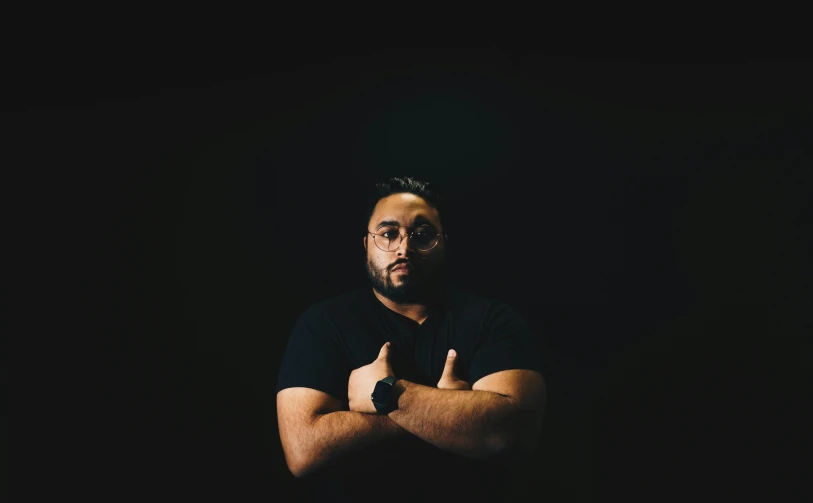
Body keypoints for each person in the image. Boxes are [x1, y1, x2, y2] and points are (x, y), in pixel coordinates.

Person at [275, 176, 546, 502]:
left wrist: (386, 395)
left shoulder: (493, 319)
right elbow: (303, 450)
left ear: (443, 241)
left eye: (422, 235)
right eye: (388, 234)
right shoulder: (323, 323)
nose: (404, 248)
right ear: (366, 244)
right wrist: (449, 411)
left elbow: (511, 432)